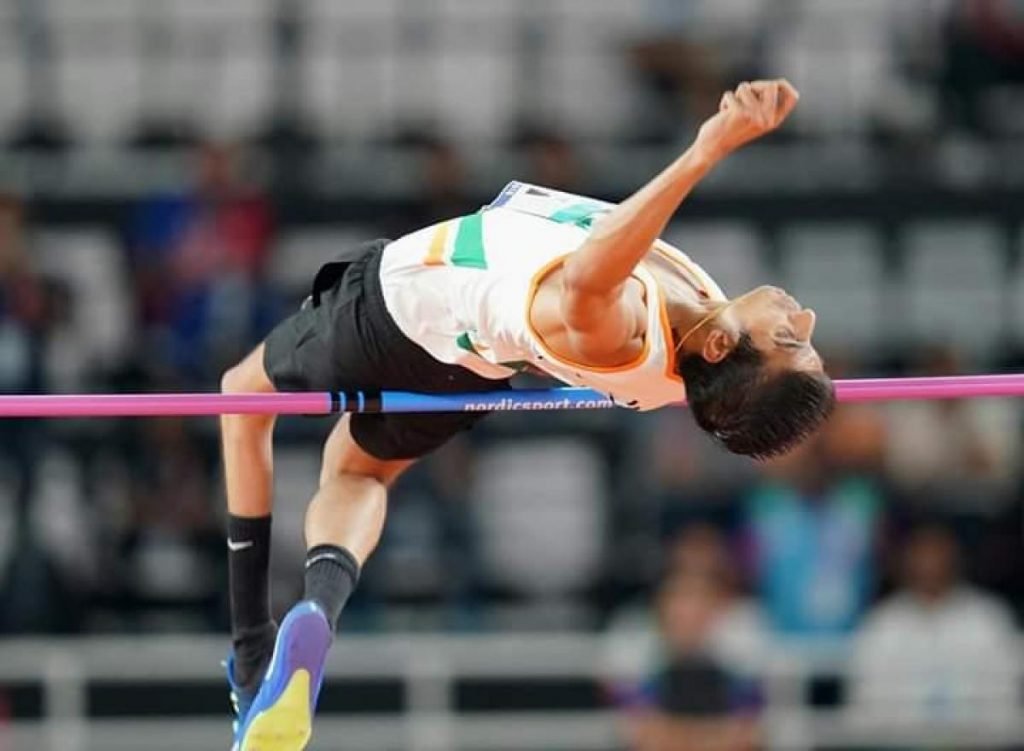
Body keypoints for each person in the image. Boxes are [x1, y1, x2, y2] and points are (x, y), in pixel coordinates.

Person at [220, 79, 834, 751]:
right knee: (359, 471)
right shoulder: (698, 361)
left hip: (399, 303)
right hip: (467, 361)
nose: (803, 317)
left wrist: (709, 147)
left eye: (791, 339)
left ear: (723, 346)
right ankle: (316, 609)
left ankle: (252, 655)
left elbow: (587, 279)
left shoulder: (625, 329)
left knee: (241, 397)